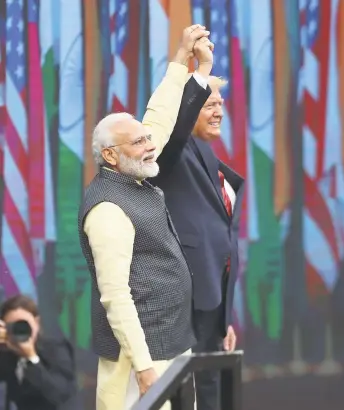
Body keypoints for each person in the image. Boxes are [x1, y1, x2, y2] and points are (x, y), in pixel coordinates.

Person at [78, 25, 214, 410]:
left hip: (170, 345)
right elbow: (116, 297)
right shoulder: (107, 209)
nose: (150, 144)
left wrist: (182, 61)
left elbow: (158, 115)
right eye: (139, 141)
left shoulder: (131, 168)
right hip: (139, 362)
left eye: (145, 138)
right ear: (110, 156)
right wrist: (143, 367)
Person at [151, 60, 245, 409]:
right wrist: (199, 72)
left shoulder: (204, 151)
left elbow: (220, 235)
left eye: (221, 103)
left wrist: (225, 314)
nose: (219, 110)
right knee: (185, 386)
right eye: (209, 104)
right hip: (184, 292)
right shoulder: (172, 151)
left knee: (211, 385)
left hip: (211, 296)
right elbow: (175, 129)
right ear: (188, 110)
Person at [0, 295, 78, 410]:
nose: (19, 331)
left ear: (36, 323)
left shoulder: (56, 349)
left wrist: (31, 357)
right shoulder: (5, 353)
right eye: (13, 327)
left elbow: (58, 395)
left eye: (23, 325)